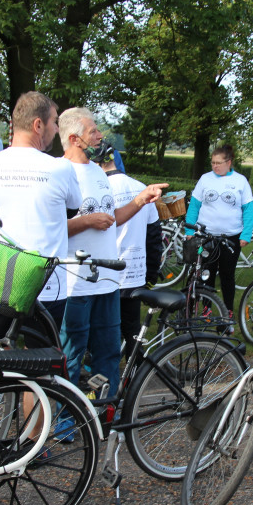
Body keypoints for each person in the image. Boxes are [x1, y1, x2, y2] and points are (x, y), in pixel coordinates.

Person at [59, 107, 165, 392]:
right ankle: (65, 424)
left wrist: (141, 200)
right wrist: (86, 221)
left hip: (107, 281)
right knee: (71, 356)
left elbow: (112, 218)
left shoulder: (97, 172)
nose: (99, 136)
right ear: (73, 138)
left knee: (107, 355)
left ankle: (104, 415)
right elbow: (48, 227)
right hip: (75, 283)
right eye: (93, 131)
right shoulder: (59, 172)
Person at [0, 92, 81, 329]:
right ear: (38, 125)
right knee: (43, 359)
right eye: (54, 122)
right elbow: (72, 209)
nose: (56, 129)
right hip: (46, 285)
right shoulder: (60, 168)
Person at [101, 150, 163, 350]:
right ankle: (135, 376)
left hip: (105, 274)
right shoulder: (141, 188)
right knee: (132, 334)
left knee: (103, 333)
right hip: (134, 274)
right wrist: (150, 276)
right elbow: (154, 237)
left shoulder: (99, 189)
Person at [184, 144, 253, 313]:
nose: (215, 166)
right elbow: (194, 206)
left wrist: (246, 234)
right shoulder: (205, 179)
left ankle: (228, 310)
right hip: (206, 236)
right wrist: (189, 231)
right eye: (213, 162)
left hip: (231, 237)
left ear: (229, 162)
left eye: (219, 163)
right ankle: (207, 308)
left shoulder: (240, 181)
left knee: (227, 275)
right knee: (206, 273)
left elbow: (248, 209)